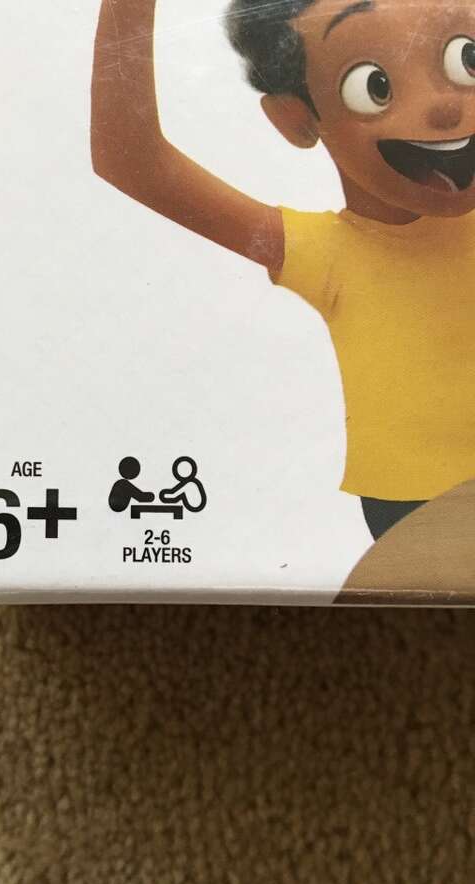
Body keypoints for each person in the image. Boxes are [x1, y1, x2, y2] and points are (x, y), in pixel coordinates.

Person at [91, 0, 475, 539]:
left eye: (467, 59)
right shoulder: (331, 252)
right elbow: (132, 161)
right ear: (296, 120)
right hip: (419, 505)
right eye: (375, 87)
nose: (444, 108)